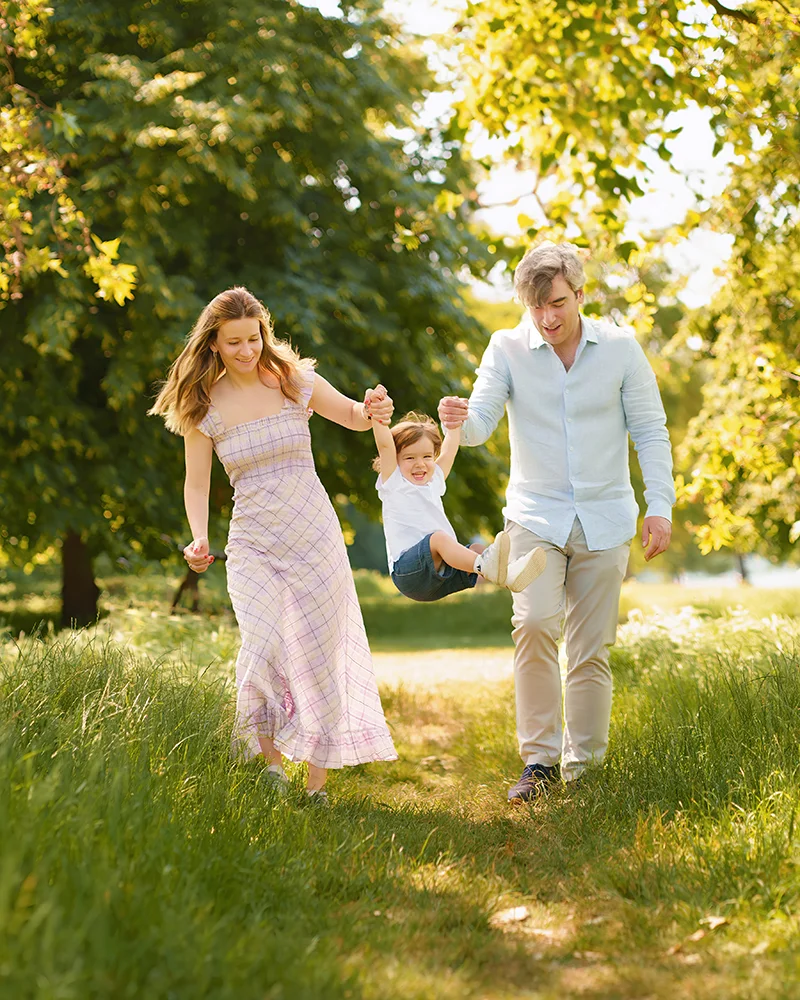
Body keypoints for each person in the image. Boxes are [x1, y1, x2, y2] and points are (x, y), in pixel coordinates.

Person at [438, 242, 675, 803]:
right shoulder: (507, 349)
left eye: (558, 304)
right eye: (536, 307)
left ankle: (584, 770)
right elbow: (479, 424)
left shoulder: (620, 349)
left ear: (580, 295)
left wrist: (659, 506)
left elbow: (651, 431)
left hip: (605, 518)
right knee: (536, 623)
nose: (547, 319)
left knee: (591, 649)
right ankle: (539, 764)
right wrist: (456, 420)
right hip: (535, 516)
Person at [150, 286, 397, 806]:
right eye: (234, 341)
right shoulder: (202, 406)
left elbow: (353, 416)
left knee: (319, 653)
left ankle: (316, 788)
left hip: (314, 535)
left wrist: (374, 408)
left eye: (254, 337)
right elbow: (196, 484)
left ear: (264, 332)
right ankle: (270, 771)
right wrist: (199, 536)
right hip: (253, 541)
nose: (247, 350)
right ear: (213, 343)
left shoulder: (294, 381)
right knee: (260, 644)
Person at [372, 412, 546, 601]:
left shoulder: (433, 480)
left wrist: (453, 426)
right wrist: (378, 415)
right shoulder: (394, 482)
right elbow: (385, 445)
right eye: (410, 458)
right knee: (439, 539)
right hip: (409, 574)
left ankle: (509, 574)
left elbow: (448, 451)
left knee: (477, 549)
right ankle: (485, 566)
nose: (420, 464)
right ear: (395, 461)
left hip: (439, 578)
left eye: (427, 456)